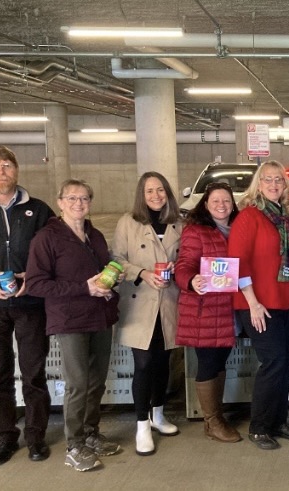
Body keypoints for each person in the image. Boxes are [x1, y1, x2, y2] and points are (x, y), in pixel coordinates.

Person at [25, 179, 122, 471]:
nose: (78, 203)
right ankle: (74, 444)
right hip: (70, 320)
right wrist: (84, 288)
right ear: (60, 202)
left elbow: (102, 271)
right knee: (78, 384)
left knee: (96, 381)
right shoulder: (47, 237)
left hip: (100, 315)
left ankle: (91, 434)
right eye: (72, 198)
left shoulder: (95, 234)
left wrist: (109, 283)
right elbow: (36, 284)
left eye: (84, 198)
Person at [0, 145, 54, 466]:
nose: (1, 171)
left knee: (33, 373)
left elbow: (54, 252)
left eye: (6, 165)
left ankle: (36, 436)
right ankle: (5, 437)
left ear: (15, 170)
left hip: (31, 301)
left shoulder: (39, 210)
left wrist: (34, 277)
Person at [229, 160, 289, 451]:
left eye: (279, 180)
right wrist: (253, 304)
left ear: (285, 186)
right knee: (272, 362)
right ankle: (259, 427)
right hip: (259, 302)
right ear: (258, 184)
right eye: (268, 180)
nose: (274, 185)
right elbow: (238, 262)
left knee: (284, 363)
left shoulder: (287, 217)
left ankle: (278, 421)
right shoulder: (249, 217)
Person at [112, 171, 182, 456]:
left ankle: (159, 414)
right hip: (139, 300)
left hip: (168, 302)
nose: (156, 196)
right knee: (143, 363)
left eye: (161, 190)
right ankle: (141, 424)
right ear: (141, 195)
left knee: (164, 360)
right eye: (150, 191)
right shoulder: (128, 222)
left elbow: (187, 257)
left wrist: (179, 267)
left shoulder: (178, 223)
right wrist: (141, 273)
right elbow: (116, 259)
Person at [174, 182, 241, 443]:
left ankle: (215, 417)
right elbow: (184, 265)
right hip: (205, 308)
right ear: (205, 204)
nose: (222, 205)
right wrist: (191, 280)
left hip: (229, 308)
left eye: (226, 200)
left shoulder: (237, 228)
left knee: (219, 361)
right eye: (216, 201)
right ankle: (213, 421)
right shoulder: (196, 231)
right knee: (209, 363)